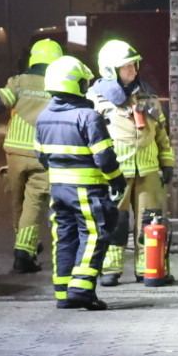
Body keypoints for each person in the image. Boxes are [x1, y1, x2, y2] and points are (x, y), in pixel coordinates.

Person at [35, 56, 123, 310]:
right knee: (94, 235)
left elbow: (41, 155)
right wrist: (116, 180)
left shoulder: (43, 117)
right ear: (77, 84)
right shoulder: (88, 116)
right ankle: (82, 289)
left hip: (58, 190)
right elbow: (104, 157)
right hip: (87, 189)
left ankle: (63, 292)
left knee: (65, 237)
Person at [87, 39, 175, 286]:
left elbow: (160, 134)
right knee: (115, 222)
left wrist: (166, 163)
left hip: (148, 171)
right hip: (115, 173)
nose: (134, 71)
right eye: (127, 67)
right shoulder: (95, 99)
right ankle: (111, 270)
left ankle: (149, 269)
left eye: (134, 65)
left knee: (151, 221)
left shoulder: (147, 96)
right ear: (110, 70)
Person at [0, 38, 60, 273]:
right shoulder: (59, 84)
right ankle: (24, 253)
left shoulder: (19, 81)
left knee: (17, 202)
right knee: (35, 203)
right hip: (43, 154)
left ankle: (25, 244)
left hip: (15, 152)